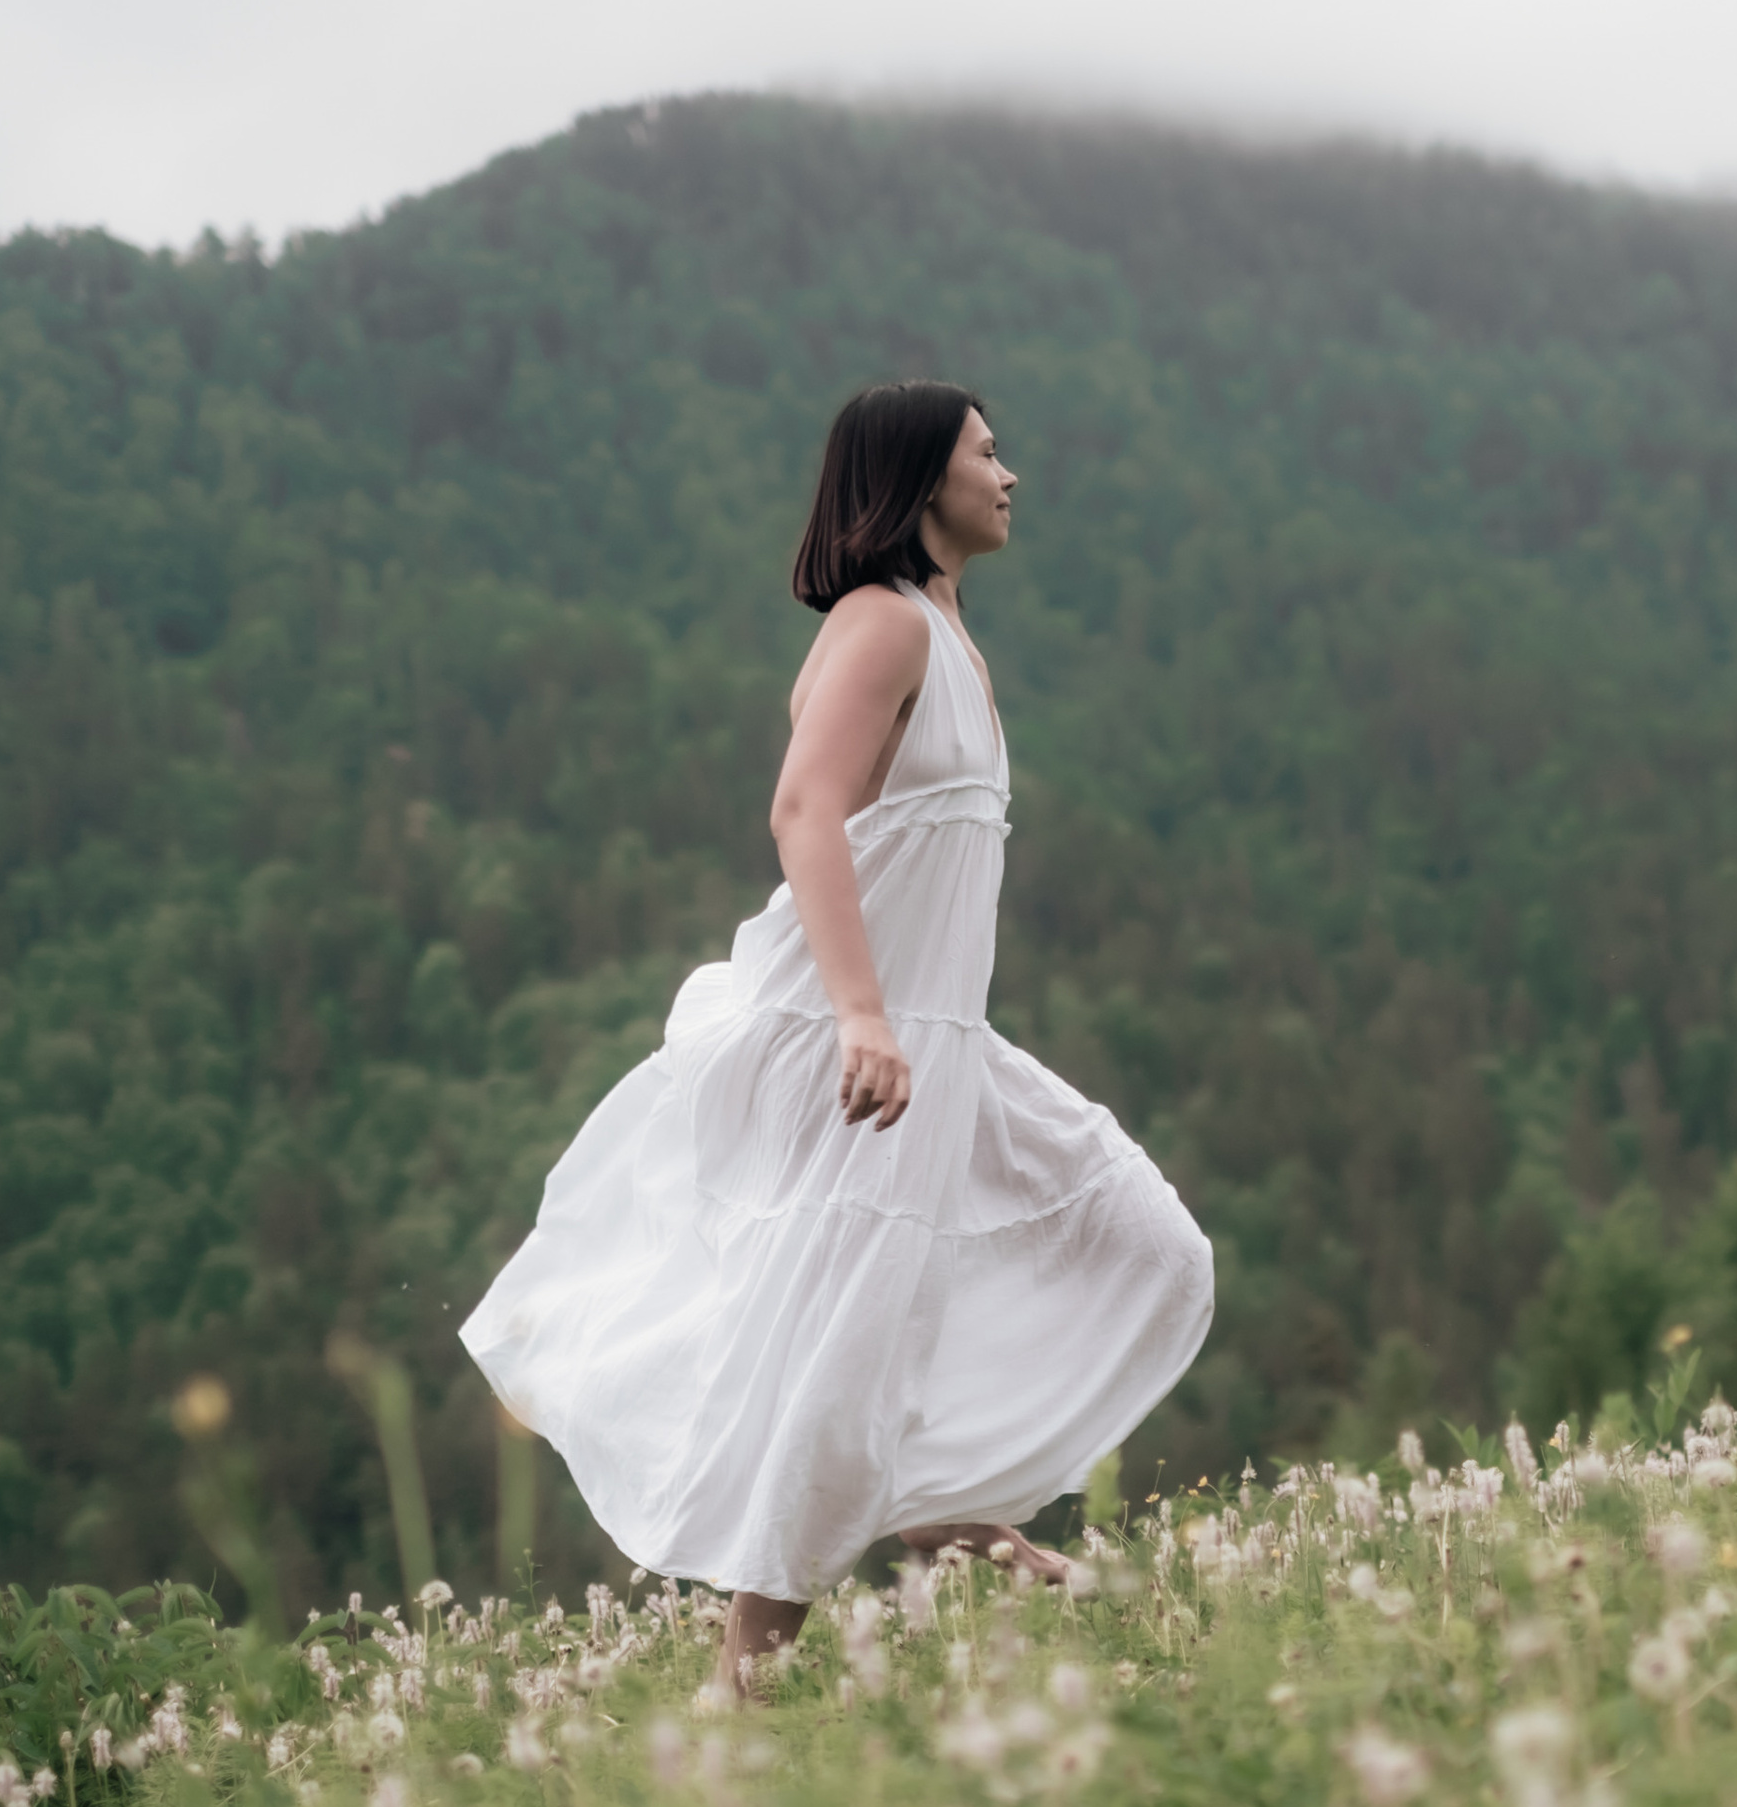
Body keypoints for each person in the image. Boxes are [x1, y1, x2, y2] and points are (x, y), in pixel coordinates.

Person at [461, 380, 1214, 1685]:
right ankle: (748, 1692)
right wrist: (863, 1015)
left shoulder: (944, 634)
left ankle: (943, 1512)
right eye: (988, 454)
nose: (1010, 476)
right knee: (839, 1343)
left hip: (943, 1046)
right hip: (856, 1043)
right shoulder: (883, 624)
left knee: (1145, 1244)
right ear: (923, 481)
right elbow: (803, 808)